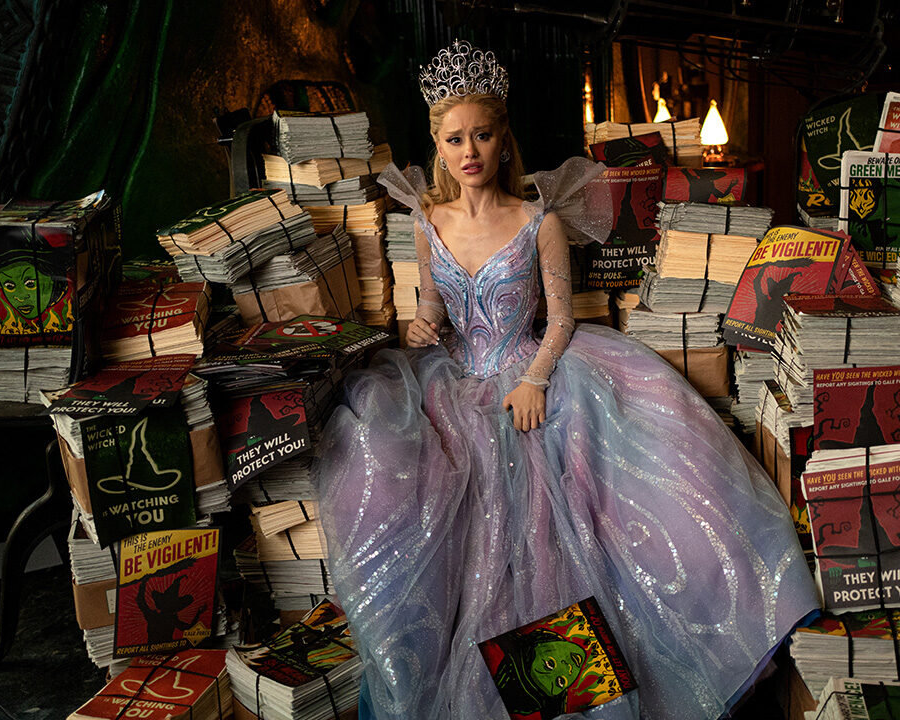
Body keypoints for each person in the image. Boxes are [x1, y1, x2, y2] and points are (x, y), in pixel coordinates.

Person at [315, 39, 819, 720]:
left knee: (549, 538)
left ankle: (570, 699)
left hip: (534, 373)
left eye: (482, 135)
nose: (470, 151)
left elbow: (559, 320)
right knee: (410, 489)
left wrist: (534, 380)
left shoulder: (538, 221)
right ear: (438, 145)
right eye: (455, 139)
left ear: (503, 138)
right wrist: (420, 328)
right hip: (455, 380)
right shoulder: (426, 223)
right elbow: (429, 308)